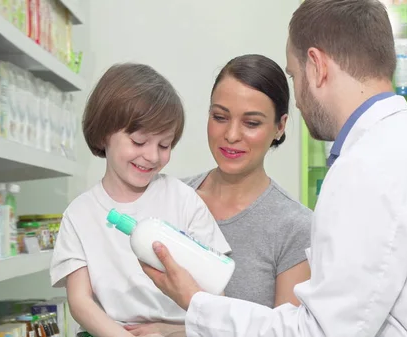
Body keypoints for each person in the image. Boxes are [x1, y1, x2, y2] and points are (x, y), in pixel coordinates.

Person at [140, 0, 407, 336]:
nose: (298, 98)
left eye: (294, 75)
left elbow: (318, 333)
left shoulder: (365, 169)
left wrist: (198, 303)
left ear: (316, 66)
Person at [126, 54, 313, 336]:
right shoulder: (168, 196)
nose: (231, 135)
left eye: (251, 123)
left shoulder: (295, 227)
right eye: (220, 117)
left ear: (280, 126)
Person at [49, 63, 231, 337]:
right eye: (138, 141)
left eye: (164, 145)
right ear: (103, 135)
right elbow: (80, 302)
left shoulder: (182, 200)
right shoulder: (80, 215)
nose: (152, 156)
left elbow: (216, 294)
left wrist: (172, 331)